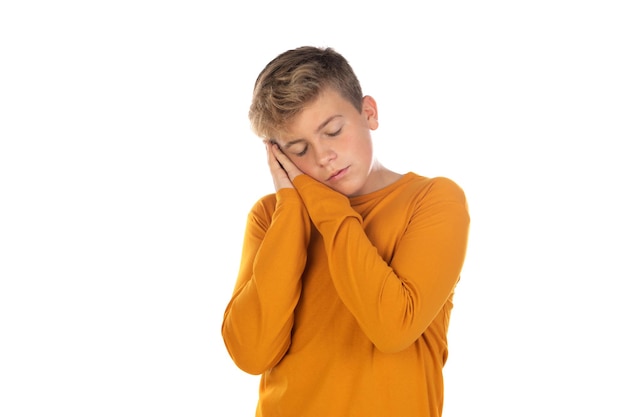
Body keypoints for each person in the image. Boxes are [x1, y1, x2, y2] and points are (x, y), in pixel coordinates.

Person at [221, 45, 470, 417]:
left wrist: (325, 207)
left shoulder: (433, 200)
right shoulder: (270, 216)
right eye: (299, 149)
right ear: (279, 157)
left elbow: (392, 328)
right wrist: (291, 209)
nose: (323, 157)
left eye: (333, 131)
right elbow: (251, 352)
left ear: (368, 112)